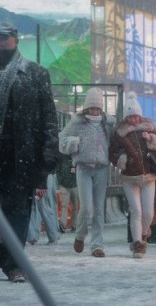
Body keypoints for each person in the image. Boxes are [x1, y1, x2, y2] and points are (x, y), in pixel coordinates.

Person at [0, 21, 59, 282]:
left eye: (4, 39)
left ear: (16, 40)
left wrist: (47, 157)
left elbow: (48, 118)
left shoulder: (35, 73)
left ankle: (13, 263)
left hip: (20, 154)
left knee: (17, 211)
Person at [109, 92, 156, 258]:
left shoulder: (150, 127)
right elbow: (112, 152)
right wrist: (121, 159)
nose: (133, 120)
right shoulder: (119, 132)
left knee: (148, 213)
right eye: (130, 117)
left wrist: (151, 139)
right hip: (129, 177)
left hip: (148, 176)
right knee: (136, 211)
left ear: (140, 116)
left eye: (135, 116)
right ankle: (138, 244)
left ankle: (143, 233)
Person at [58, 87, 114, 258]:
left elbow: (115, 143)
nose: (94, 111)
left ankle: (97, 245)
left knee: (98, 210)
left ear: (101, 108)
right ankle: (80, 235)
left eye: (97, 107)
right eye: (91, 107)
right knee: (87, 207)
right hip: (83, 168)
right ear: (86, 107)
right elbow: (62, 140)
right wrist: (73, 143)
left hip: (102, 168)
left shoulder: (108, 124)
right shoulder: (77, 122)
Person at [27, 172, 61, 245]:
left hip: (43, 175)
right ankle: (32, 236)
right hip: (37, 175)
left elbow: (46, 162)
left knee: (43, 205)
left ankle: (53, 235)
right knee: (33, 205)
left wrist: (42, 184)